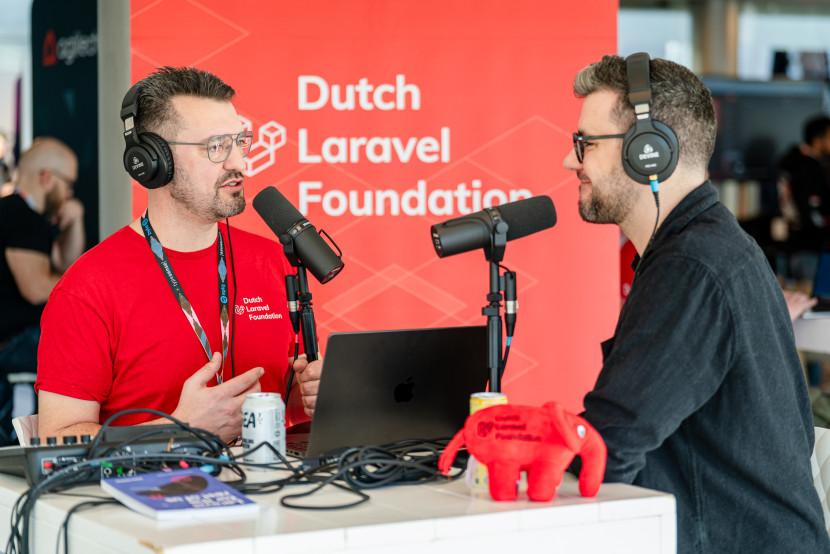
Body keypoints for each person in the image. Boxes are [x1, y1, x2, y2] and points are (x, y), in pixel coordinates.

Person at [563, 54, 829, 553]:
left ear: (649, 152)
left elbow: (607, 449)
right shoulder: (706, 245)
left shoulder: (691, 265)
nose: (570, 160)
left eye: (586, 144)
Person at [35, 67, 322, 443]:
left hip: (277, 493)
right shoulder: (89, 288)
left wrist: (313, 398)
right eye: (217, 146)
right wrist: (180, 430)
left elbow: (292, 407)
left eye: (241, 141)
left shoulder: (275, 261)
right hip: (147, 496)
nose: (240, 163)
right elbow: (57, 439)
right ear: (153, 161)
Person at [0, 137, 84, 444]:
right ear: (48, 178)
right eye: (69, 183)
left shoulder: (28, 217)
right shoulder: (18, 215)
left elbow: (67, 266)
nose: (71, 193)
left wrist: (74, 222)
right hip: (13, 343)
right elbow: (37, 289)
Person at [778, 115, 830, 282]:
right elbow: (812, 211)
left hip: (791, 244)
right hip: (810, 248)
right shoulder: (809, 167)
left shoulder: (791, 162)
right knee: (815, 302)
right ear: (817, 140)